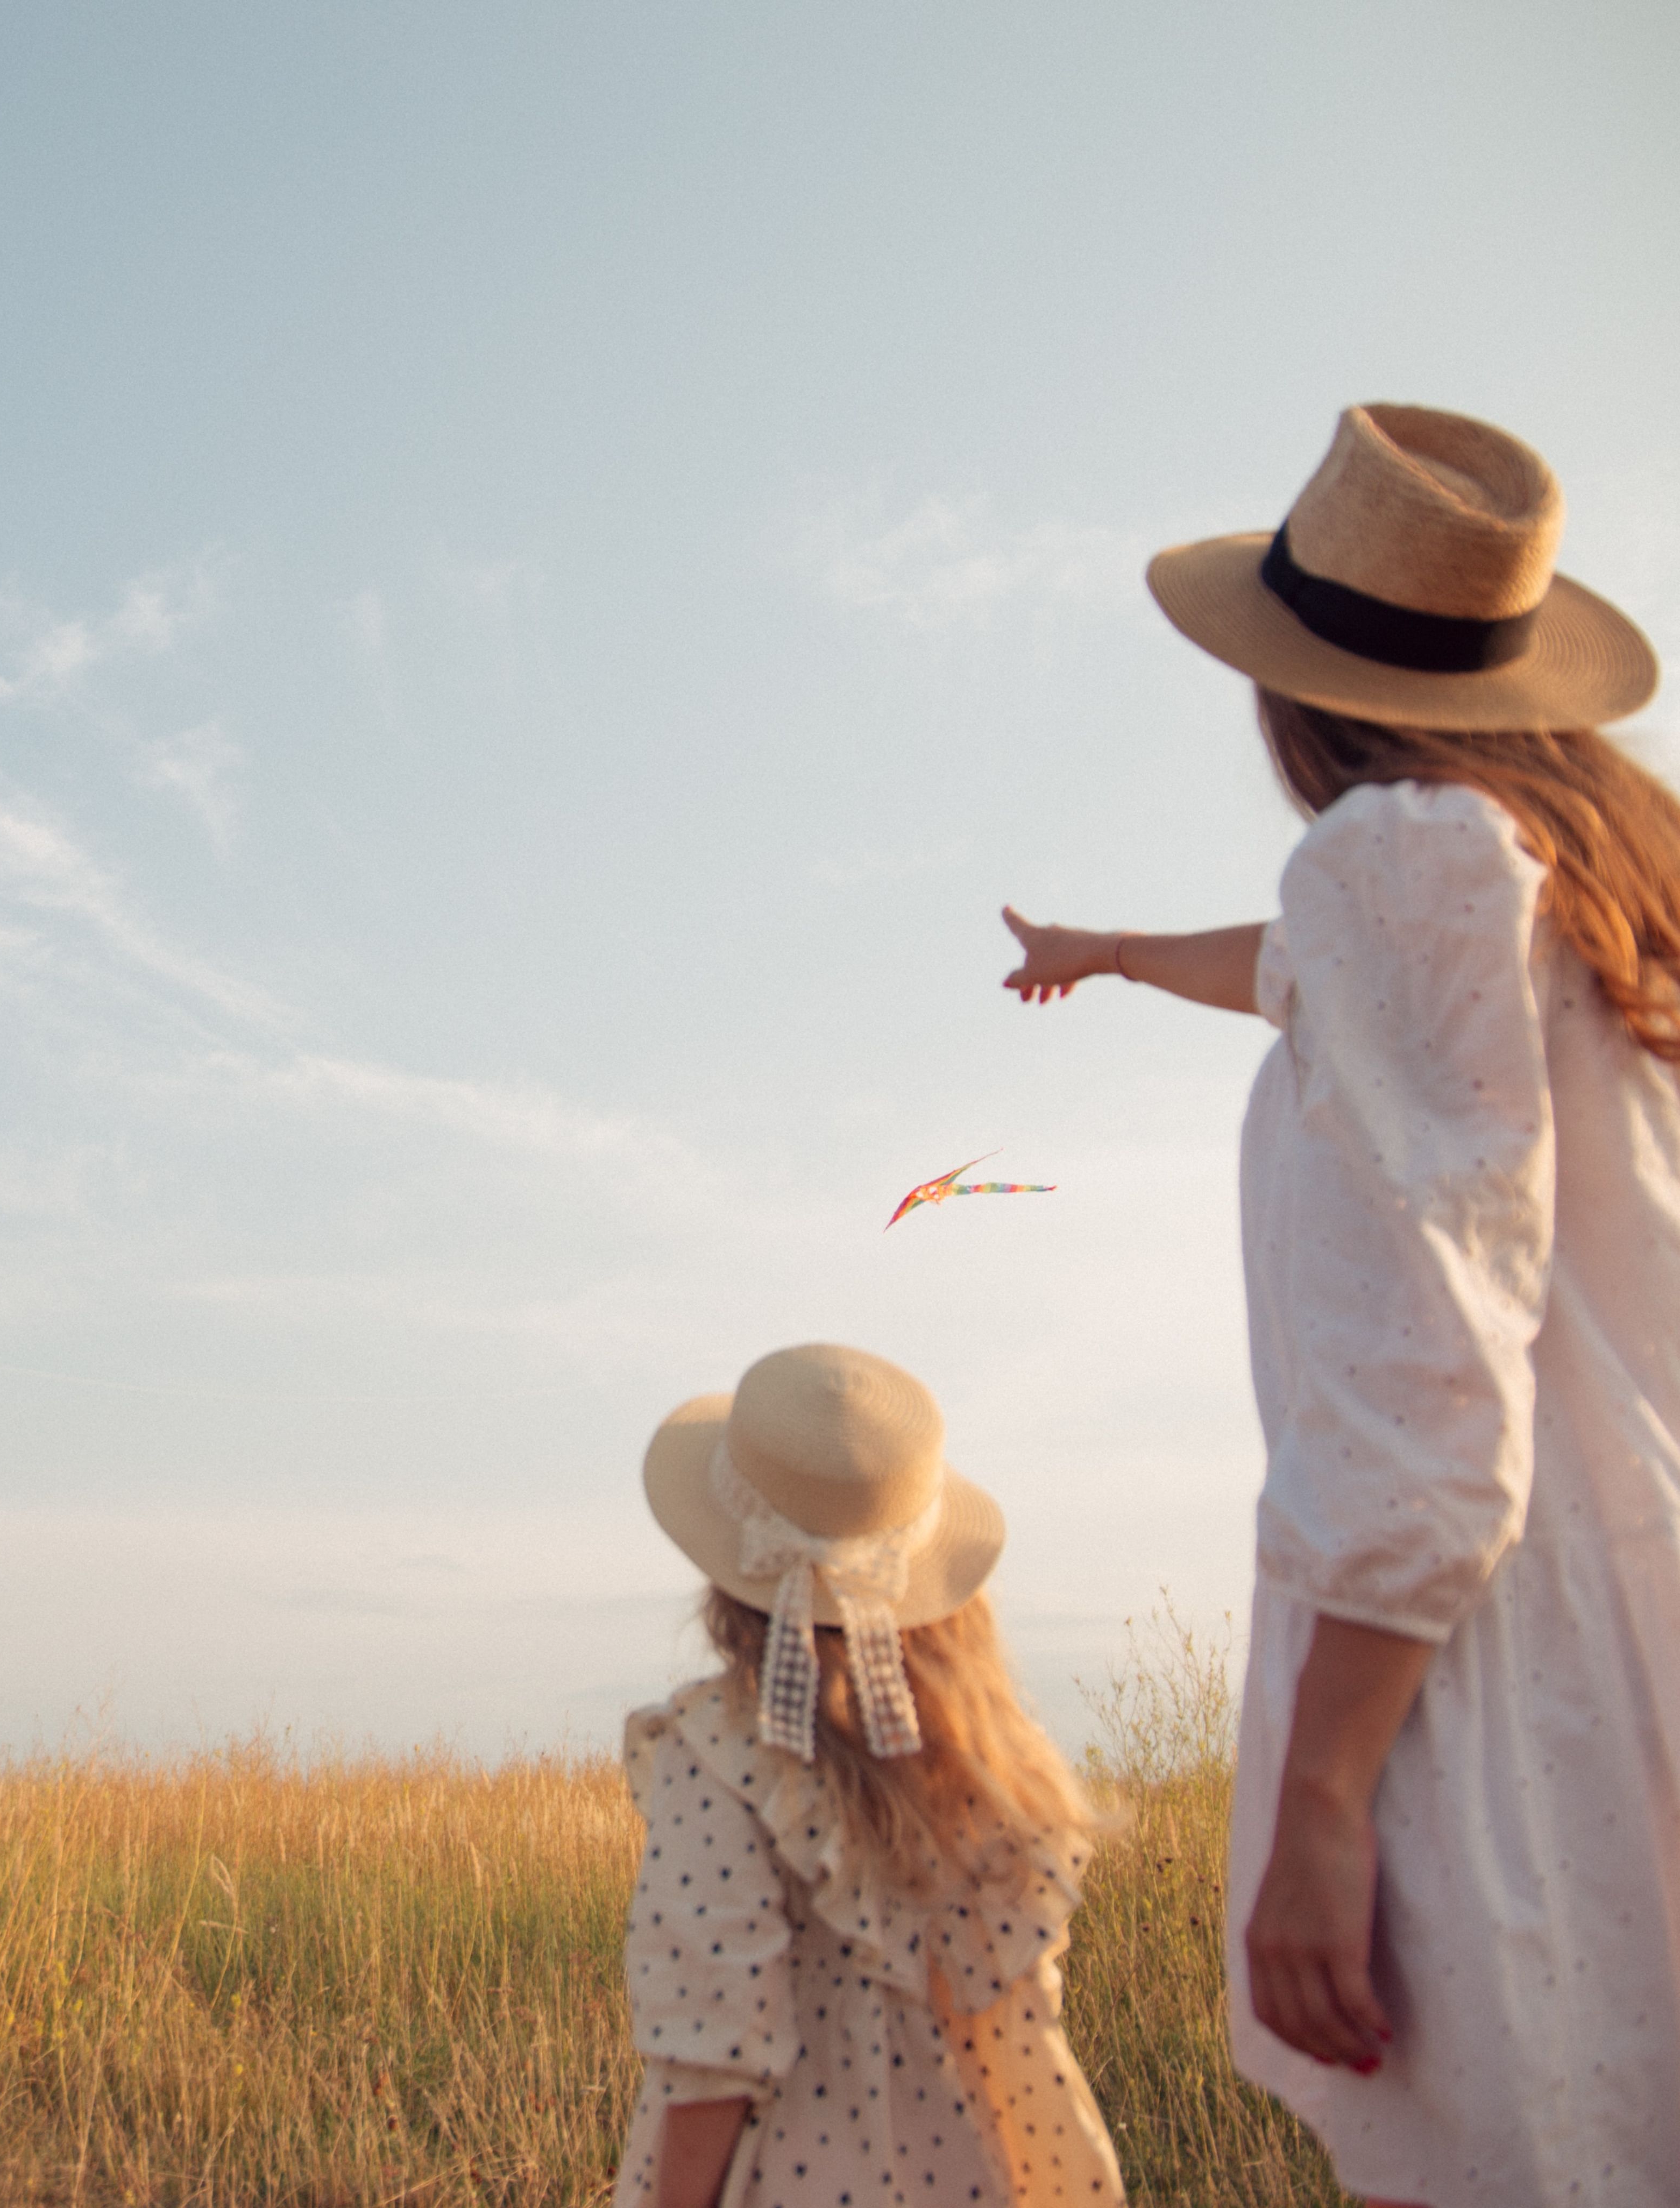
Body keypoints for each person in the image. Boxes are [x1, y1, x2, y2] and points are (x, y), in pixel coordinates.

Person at [1001, 403, 1676, 2206]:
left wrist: (1320, 1803)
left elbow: (1433, 1376)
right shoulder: (1585, 881)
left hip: (1495, 1653)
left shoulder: (1397, 859)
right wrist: (1117, 956)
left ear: (1296, 691)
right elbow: (1317, 975)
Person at [616, 1342, 1121, 2208]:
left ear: (732, 1577)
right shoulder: (995, 1767)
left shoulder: (722, 1756)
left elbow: (716, 2058)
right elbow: (1026, 2028)